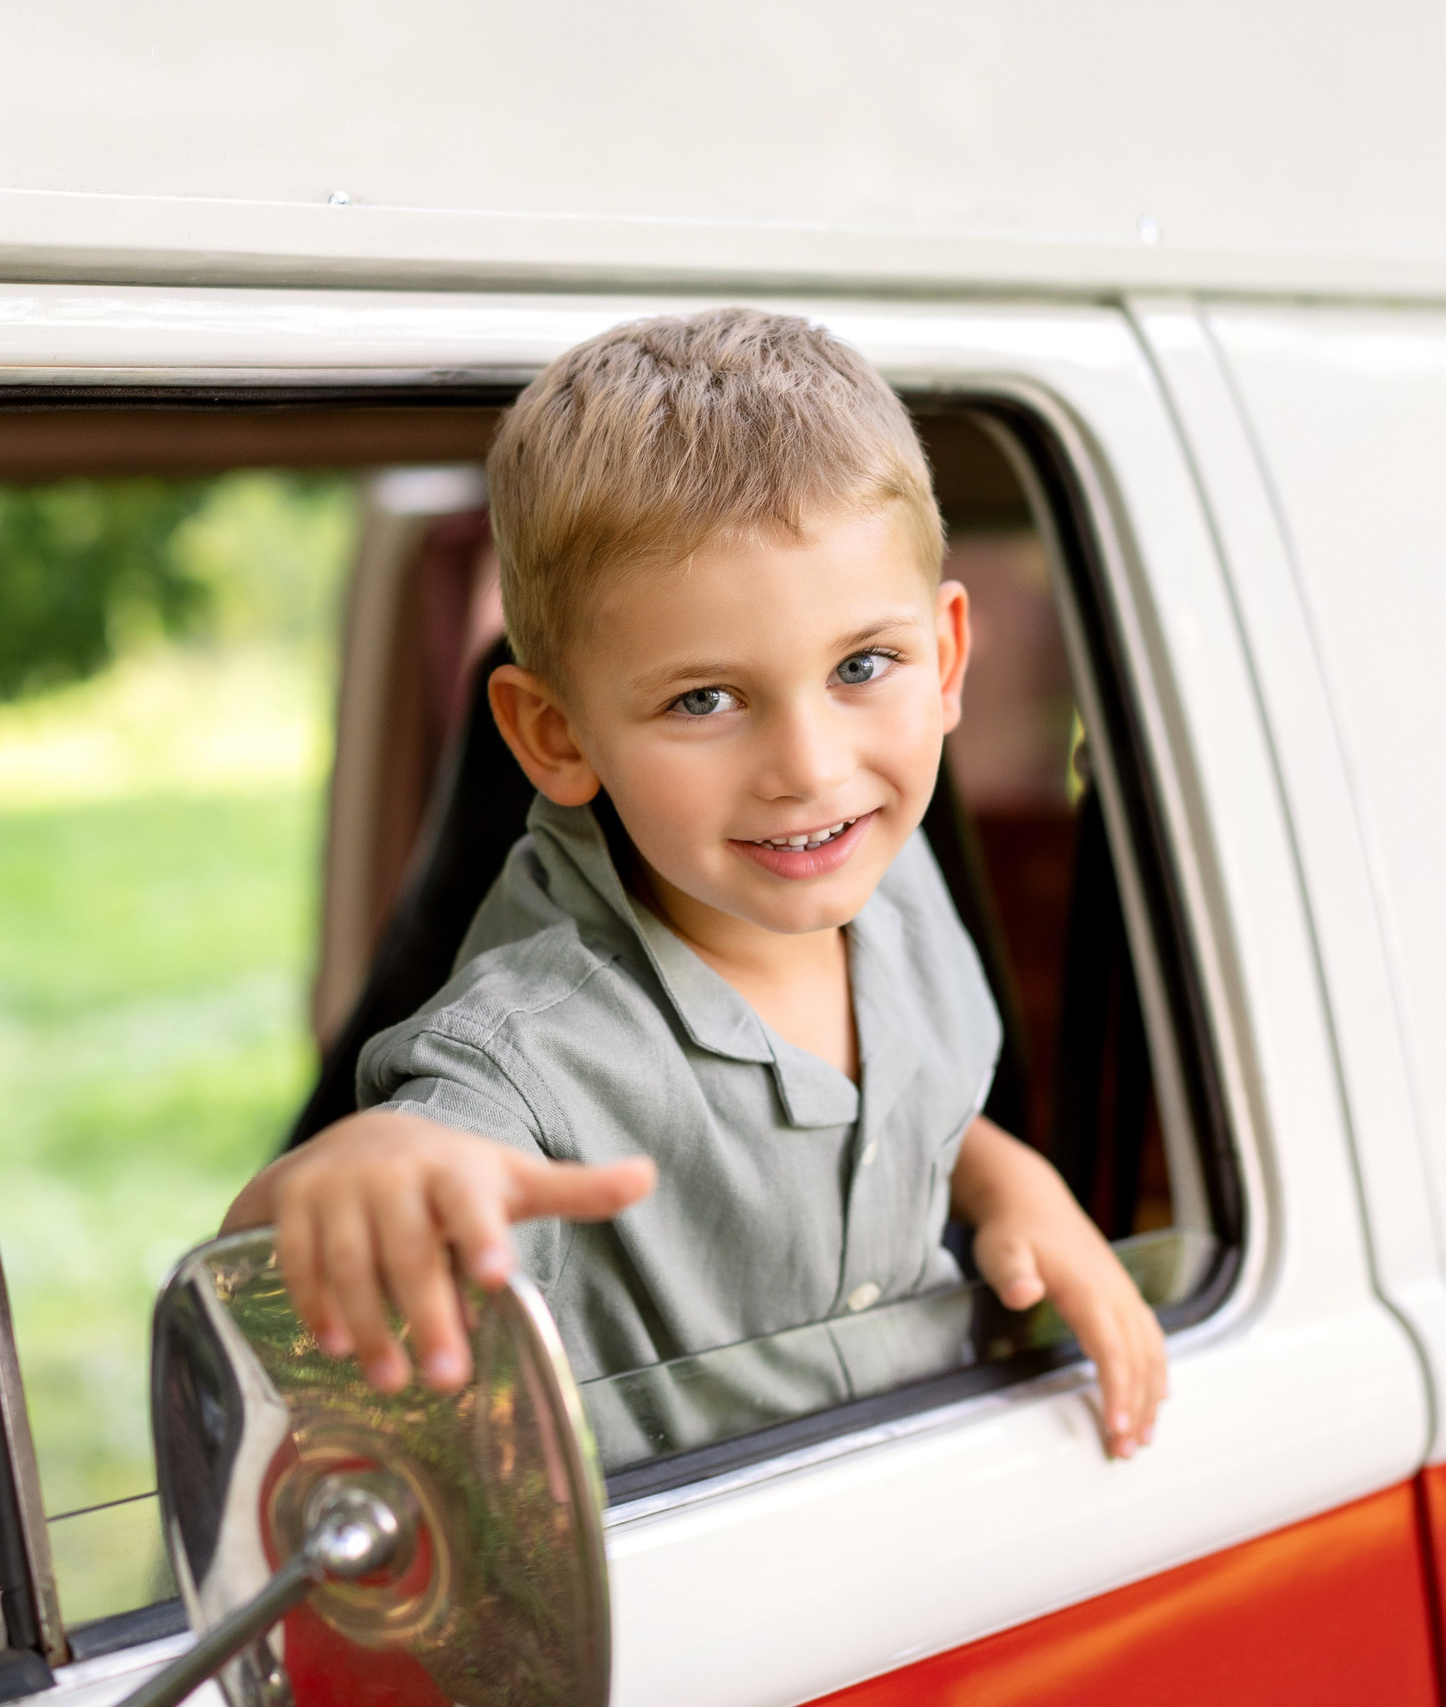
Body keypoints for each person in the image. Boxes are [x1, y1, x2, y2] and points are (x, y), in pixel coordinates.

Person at [224, 309, 1166, 1458]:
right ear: (555, 734)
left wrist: (1002, 1179)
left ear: (947, 658)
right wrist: (350, 1176)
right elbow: (337, 1213)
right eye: (704, 700)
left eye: (862, 667)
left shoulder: (892, 868)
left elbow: (902, 1108)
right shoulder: (528, 1057)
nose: (811, 771)